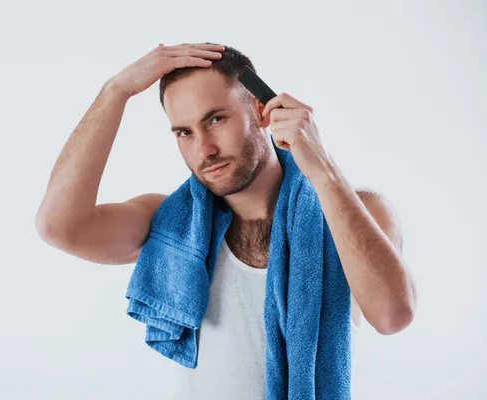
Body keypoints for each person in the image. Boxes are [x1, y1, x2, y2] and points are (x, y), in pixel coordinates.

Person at [36, 42, 417, 398]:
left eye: (216, 119)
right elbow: (58, 226)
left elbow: (392, 315)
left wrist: (322, 169)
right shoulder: (171, 225)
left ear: (260, 109)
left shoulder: (357, 211)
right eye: (184, 132)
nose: (205, 150)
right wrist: (115, 91)